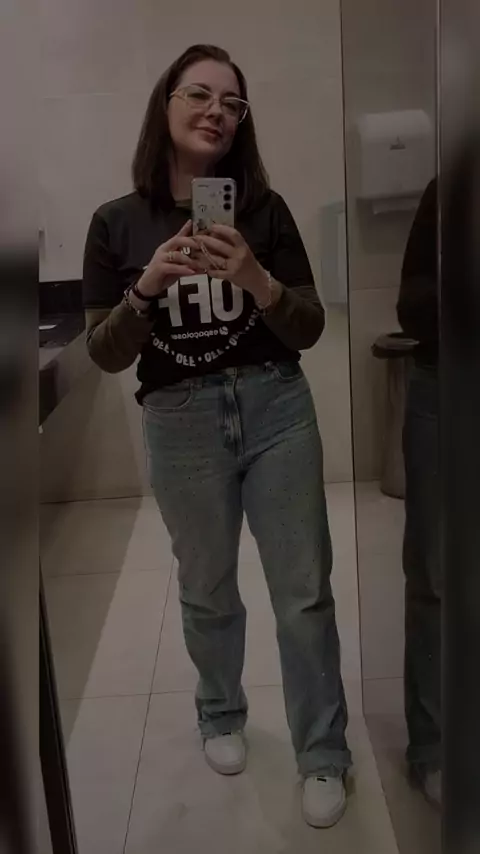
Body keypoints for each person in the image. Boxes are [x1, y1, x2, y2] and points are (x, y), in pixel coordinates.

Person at [83, 44, 351, 828]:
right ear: (165, 105)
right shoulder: (116, 223)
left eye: (232, 104)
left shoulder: (263, 211)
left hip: (276, 407)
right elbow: (104, 353)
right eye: (199, 95)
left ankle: (323, 752)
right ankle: (220, 713)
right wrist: (146, 288)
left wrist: (256, 281)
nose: (217, 112)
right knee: (207, 587)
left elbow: (309, 326)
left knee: (303, 591)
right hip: (180, 420)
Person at [397, 178, 441, 807]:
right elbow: (411, 307)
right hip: (448, 379)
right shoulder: (452, 188)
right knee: (435, 576)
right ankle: (436, 745)